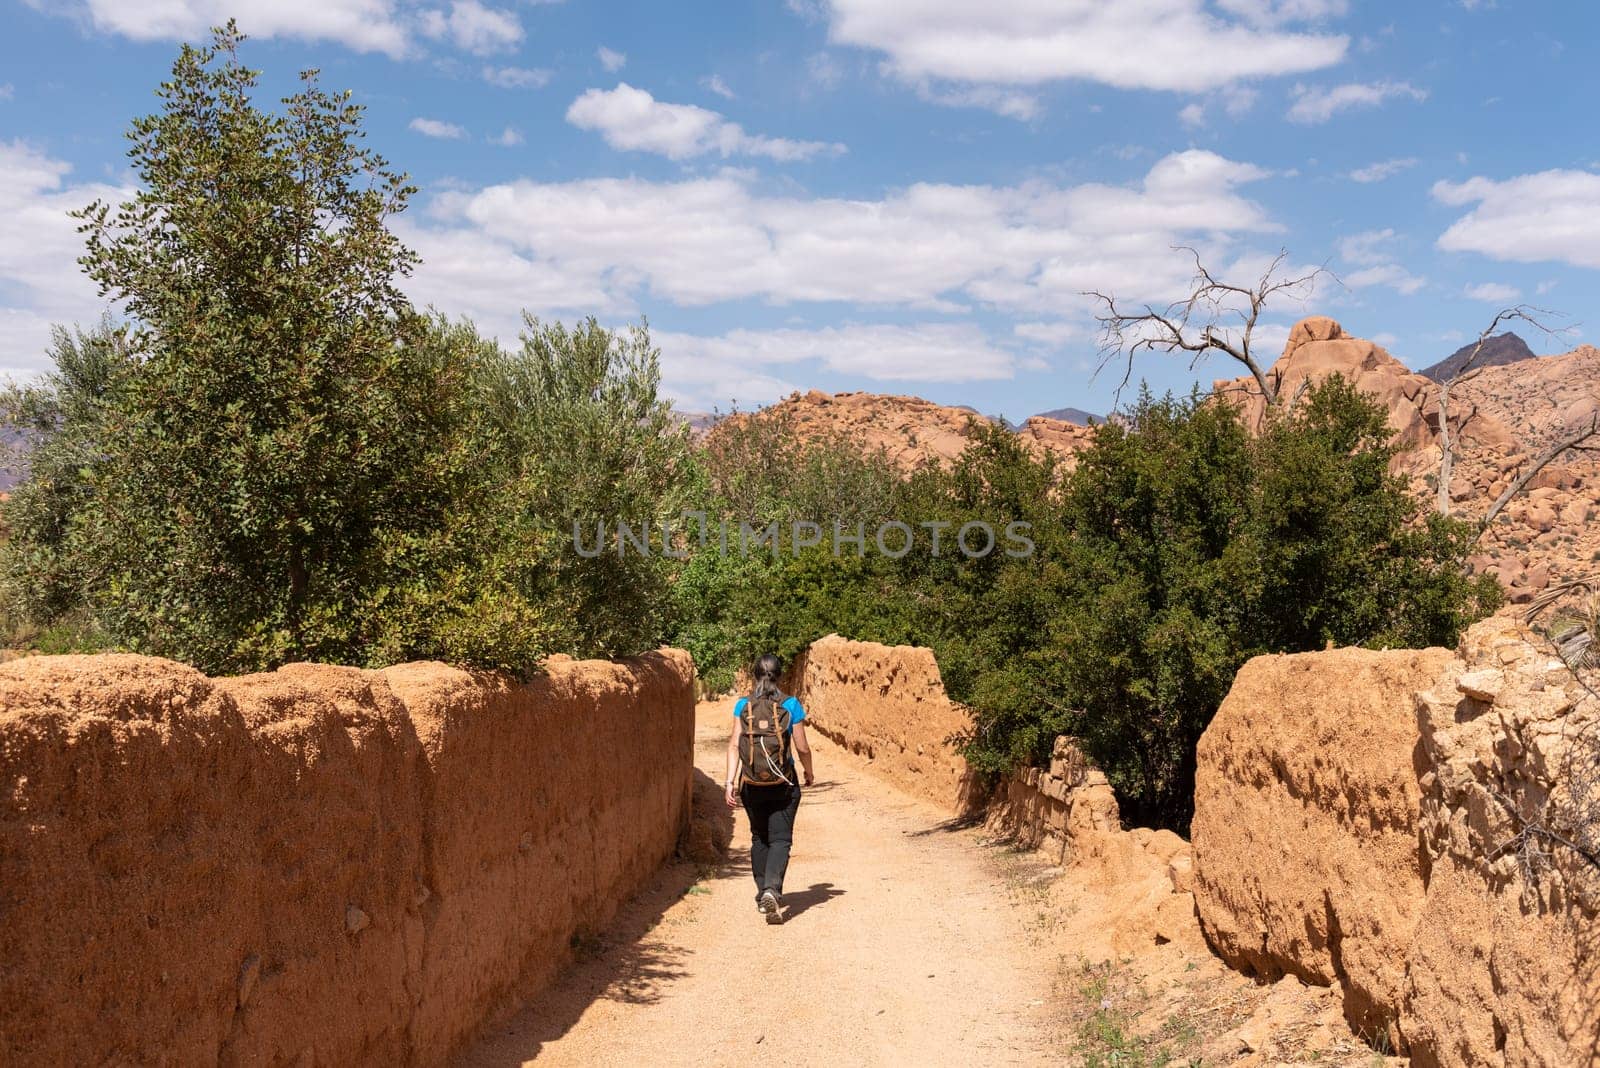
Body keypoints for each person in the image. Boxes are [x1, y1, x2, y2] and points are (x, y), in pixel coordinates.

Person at [724, 653, 814, 924]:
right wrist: (809, 771)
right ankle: (772, 892)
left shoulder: (743, 706)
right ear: (780, 675)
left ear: (755, 675)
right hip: (782, 783)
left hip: (750, 784)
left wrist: (729, 782)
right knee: (780, 839)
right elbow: (802, 747)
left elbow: (733, 745)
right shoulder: (791, 705)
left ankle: (763, 890)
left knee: (759, 837)